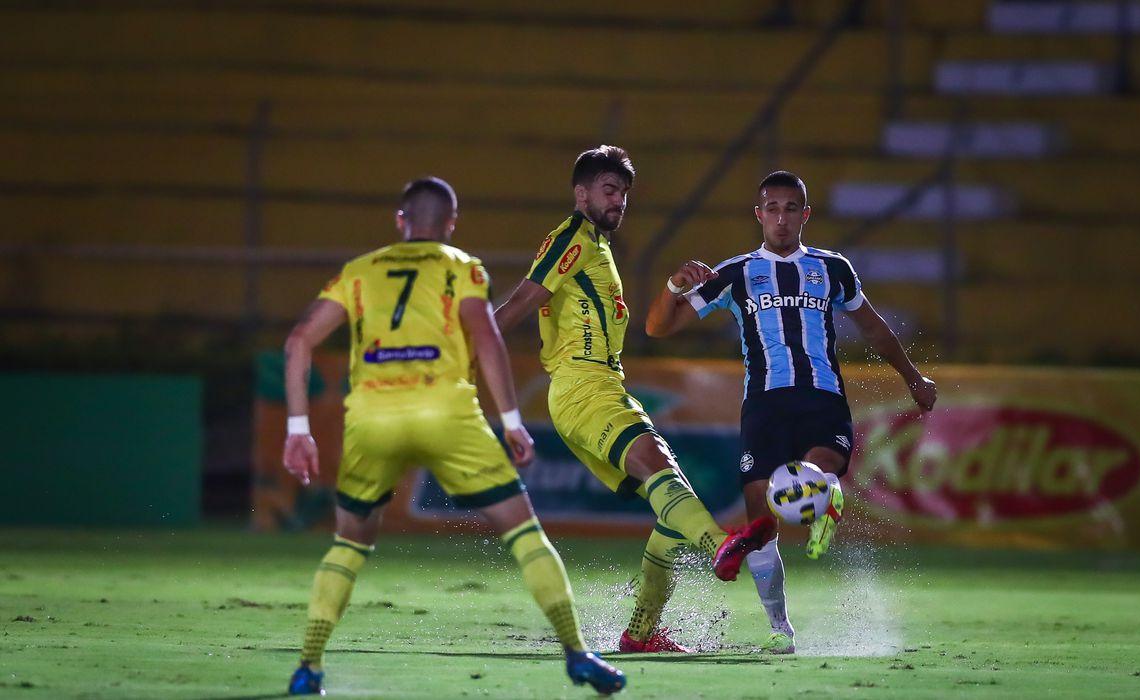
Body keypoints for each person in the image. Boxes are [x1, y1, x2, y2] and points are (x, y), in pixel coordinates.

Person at [281, 177, 626, 695]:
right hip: (447, 414)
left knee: (348, 546)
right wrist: (511, 422)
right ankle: (577, 653)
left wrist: (298, 428)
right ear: (451, 224)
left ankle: (308, 666)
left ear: (400, 221)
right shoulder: (462, 266)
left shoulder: (358, 272)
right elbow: (486, 337)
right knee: (525, 533)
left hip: (374, 418)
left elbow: (299, 341)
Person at [643, 170, 937, 654]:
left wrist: (913, 377)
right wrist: (673, 285)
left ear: (806, 214)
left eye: (791, 208)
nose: (781, 218)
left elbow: (874, 328)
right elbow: (657, 327)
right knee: (762, 524)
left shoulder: (832, 268)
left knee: (814, 472)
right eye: (772, 209)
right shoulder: (734, 274)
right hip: (764, 404)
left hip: (822, 397)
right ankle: (781, 628)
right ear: (758, 215)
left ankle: (825, 493)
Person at [494, 146, 773, 654]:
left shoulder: (598, 247)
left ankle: (640, 634)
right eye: (608, 190)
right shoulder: (572, 239)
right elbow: (521, 302)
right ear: (581, 194)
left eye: (623, 192)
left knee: (670, 500)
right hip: (583, 385)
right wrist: (469, 352)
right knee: (656, 462)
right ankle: (719, 545)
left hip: (601, 385)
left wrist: (671, 285)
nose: (619, 199)